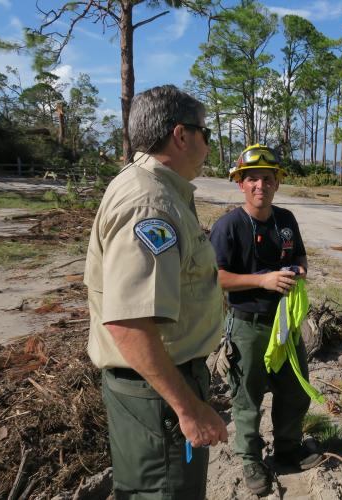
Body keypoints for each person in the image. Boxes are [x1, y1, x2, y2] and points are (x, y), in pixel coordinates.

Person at [84, 85, 228, 499]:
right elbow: (128, 322)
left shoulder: (147, 186)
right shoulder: (151, 204)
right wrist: (188, 409)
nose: (208, 145)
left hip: (156, 387)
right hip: (159, 395)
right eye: (206, 134)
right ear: (181, 136)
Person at [209, 144, 320, 495]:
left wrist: (299, 270)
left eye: (267, 179)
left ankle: (287, 449)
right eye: (252, 178)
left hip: (284, 325)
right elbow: (215, 277)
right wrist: (262, 280)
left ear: (277, 183)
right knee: (247, 397)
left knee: (295, 390)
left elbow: (300, 256)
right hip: (247, 326)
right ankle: (251, 460)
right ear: (240, 183)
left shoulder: (285, 220)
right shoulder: (228, 226)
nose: (261, 185)